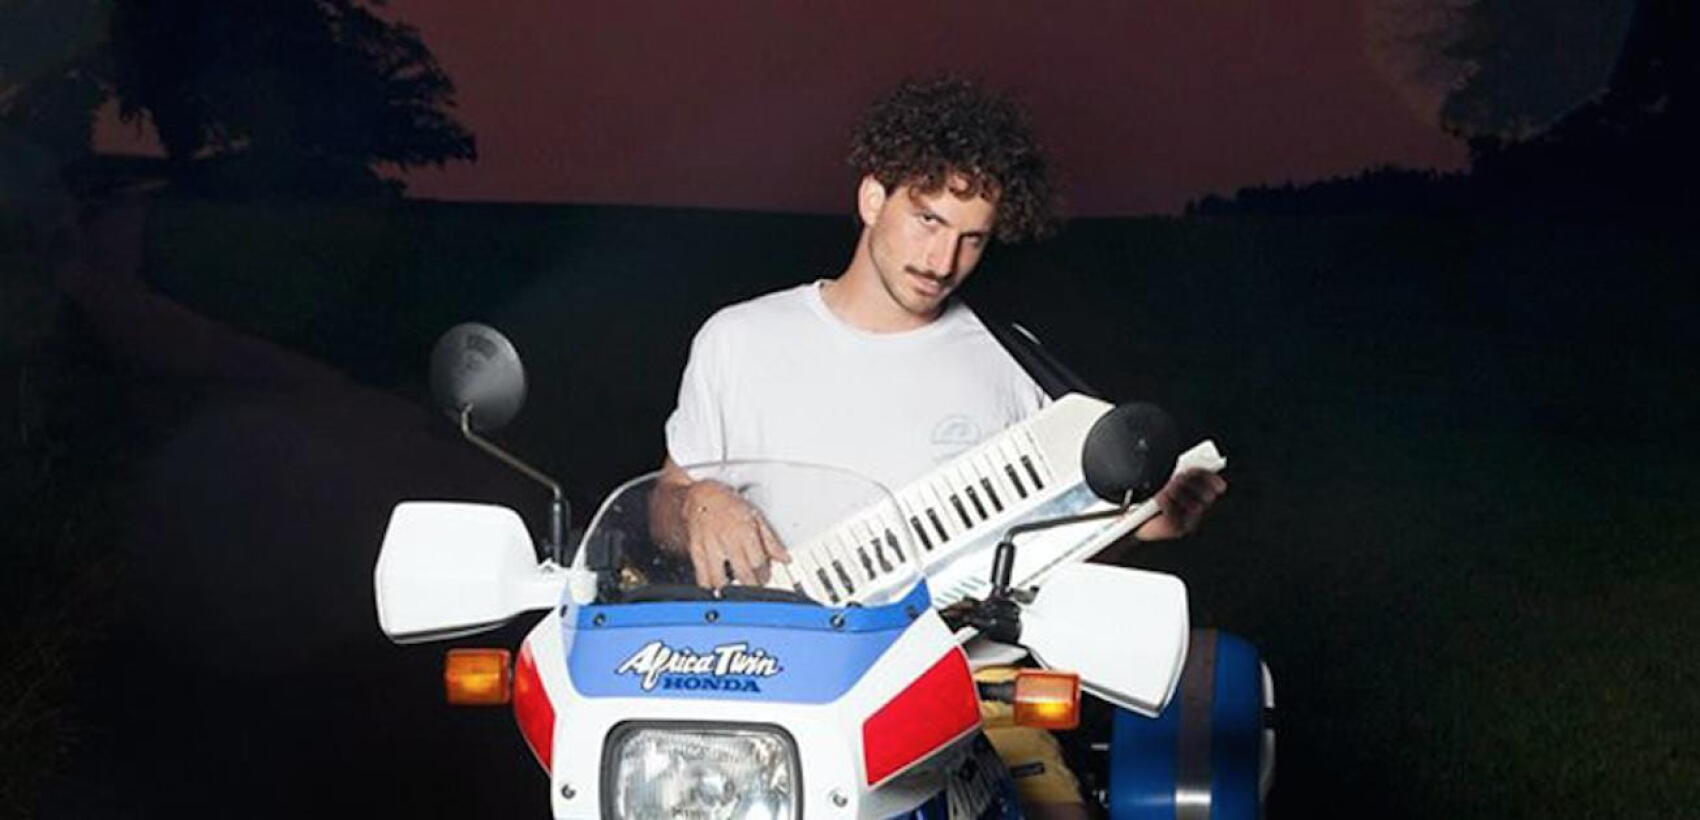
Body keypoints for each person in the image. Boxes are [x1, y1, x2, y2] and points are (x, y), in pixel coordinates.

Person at [649, 76, 1226, 816]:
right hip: (774, 699)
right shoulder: (740, 341)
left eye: (971, 238)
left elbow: (1041, 560)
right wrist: (696, 501)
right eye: (927, 220)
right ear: (872, 198)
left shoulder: (1010, 363)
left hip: (969, 701)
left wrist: (1140, 527)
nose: (942, 259)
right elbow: (665, 507)